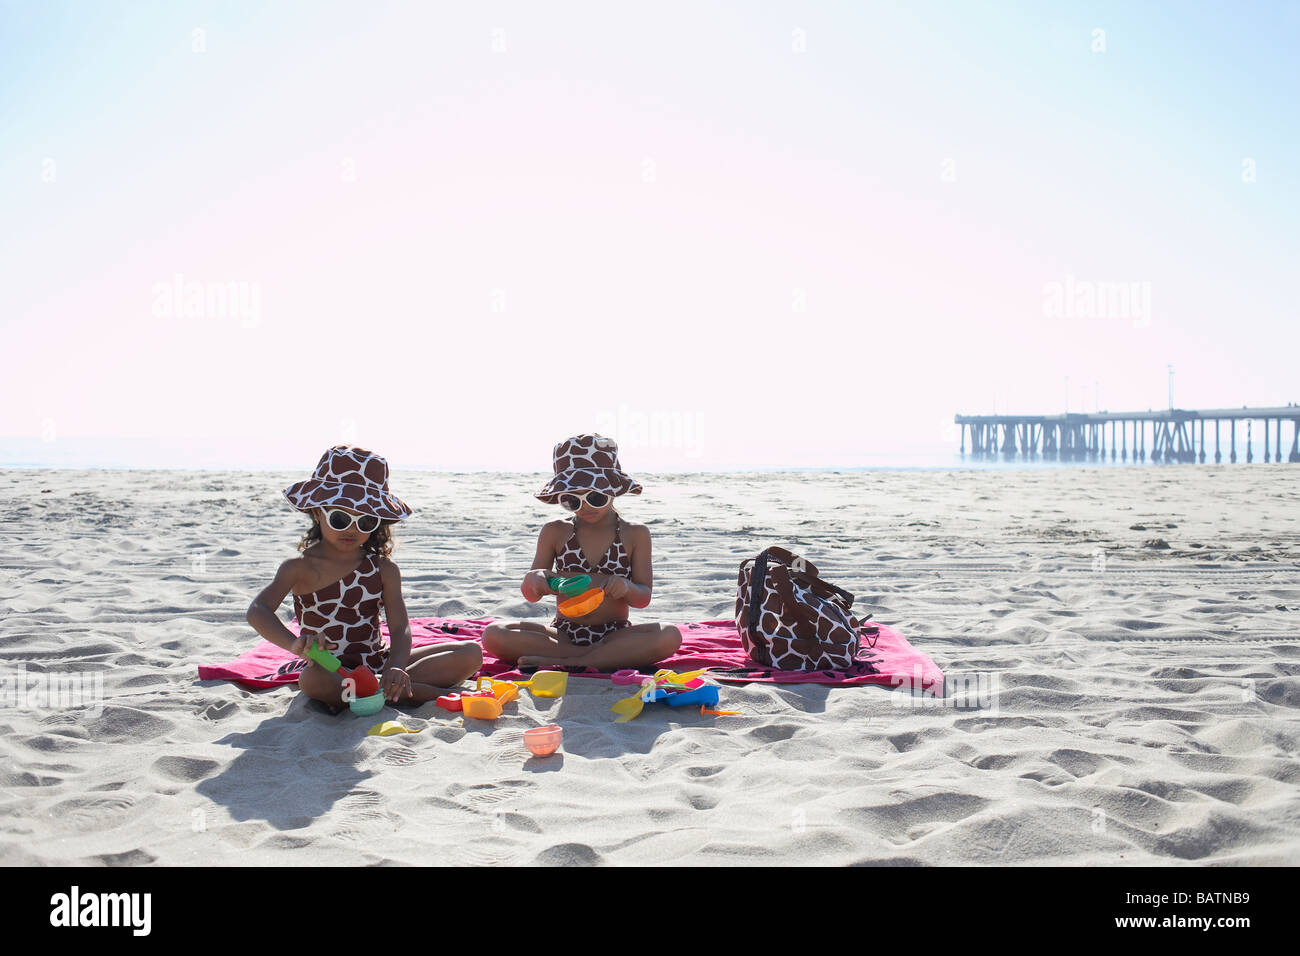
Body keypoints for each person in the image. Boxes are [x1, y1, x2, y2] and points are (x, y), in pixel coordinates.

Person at [246, 445, 481, 710]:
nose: (352, 529)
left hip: (377, 663)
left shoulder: (383, 569)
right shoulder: (299, 568)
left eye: (366, 522)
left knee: (471, 653)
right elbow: (257, 610)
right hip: (328, 668)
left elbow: (401, 629)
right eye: (339, 518)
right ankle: (407, 693)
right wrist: (294, 644)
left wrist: (396, 667)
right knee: (310, 682)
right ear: (316, 512)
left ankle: (384, 688)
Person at [482, 434, 681, 670]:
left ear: (613, 490)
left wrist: (626, 588)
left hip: (614, 635)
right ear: (560, 498)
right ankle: (591, 658)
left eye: (595, 497)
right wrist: (535, 579)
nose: (584, 507)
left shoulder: (635, 533)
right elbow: (532, 594)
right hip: (563, 634)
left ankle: (570, 661)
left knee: (670, 635)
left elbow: (643, 597)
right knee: (494, 634)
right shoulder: (555, 531)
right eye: (571, 501)